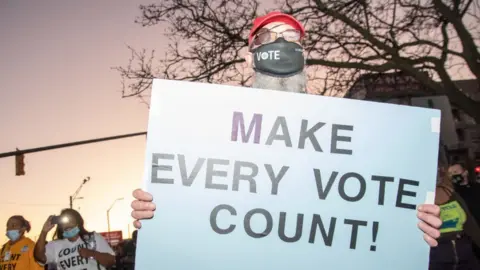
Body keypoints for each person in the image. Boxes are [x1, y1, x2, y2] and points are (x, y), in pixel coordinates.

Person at [130, 11, 443, 247]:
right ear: (247, 58)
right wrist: (157, 213)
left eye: (291, 37)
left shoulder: (352, 137)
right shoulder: (209, 137)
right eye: (268, 36)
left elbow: (374, 212)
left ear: (305, 55)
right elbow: (192, 217)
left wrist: (413, 227)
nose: (281, 44)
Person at [429, 167, 480, 269]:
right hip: (438, 257)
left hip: (464, 252)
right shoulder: (421, 196)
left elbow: (469, 223)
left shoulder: (449, 192)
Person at [34, 208, 115, 270]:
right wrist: (44, 232)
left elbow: (111, 261)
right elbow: (39, 257)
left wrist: (92, 254)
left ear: (78, 222)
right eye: (64, 221)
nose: (67, 223)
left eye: (70, 219)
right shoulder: (55, 245)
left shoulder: (93, 238)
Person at [449, 163, 480, 260]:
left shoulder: (477, 188)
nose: (453, 175)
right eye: (450, 174)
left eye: (455, 172)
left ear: (465, 173)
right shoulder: (451, 193)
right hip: (467, 236)